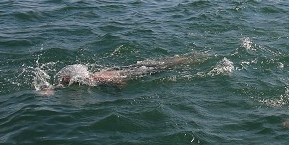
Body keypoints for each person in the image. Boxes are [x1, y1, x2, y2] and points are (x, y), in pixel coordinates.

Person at [56, 54, 197, 88]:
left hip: (131, 73)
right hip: (125, 69)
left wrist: (118, 89)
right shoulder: (90, 76)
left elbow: (120, 82)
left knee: (161, 67)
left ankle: (186, 60)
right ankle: (184, 59)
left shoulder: (93, 79)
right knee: (156, 65)